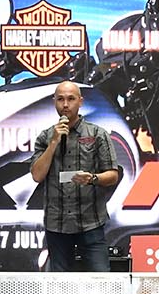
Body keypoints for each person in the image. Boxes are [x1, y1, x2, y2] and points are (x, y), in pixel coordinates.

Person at [29, 81, 119, 272]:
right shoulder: (45, 137)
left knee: (101, 279)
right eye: (60, 99)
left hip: (91, 222)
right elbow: (37, 175)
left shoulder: (98, 134)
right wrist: (54, 142)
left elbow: (113, 175)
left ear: (80, 101)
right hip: (57, 224)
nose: (65, 104)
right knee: (61, 283)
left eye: (71, 99)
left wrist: (92, 178)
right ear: (54, 102)